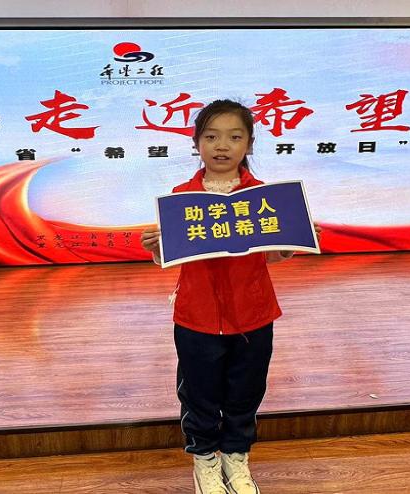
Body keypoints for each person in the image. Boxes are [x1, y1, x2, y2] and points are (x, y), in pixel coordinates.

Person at [141, 99, 321, 494]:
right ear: (197, 143)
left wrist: (292, 241)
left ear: (249, 144)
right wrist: (156, 247)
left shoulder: (265, 198)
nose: (222, 146)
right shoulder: (181, 197)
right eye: (211, 137)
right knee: (199, 395)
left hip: (254, 315)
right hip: (197, 317)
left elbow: (270, 254)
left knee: (246, 392)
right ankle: (205, 460)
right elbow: (174, 256)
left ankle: (236, 458)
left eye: (234, 137)